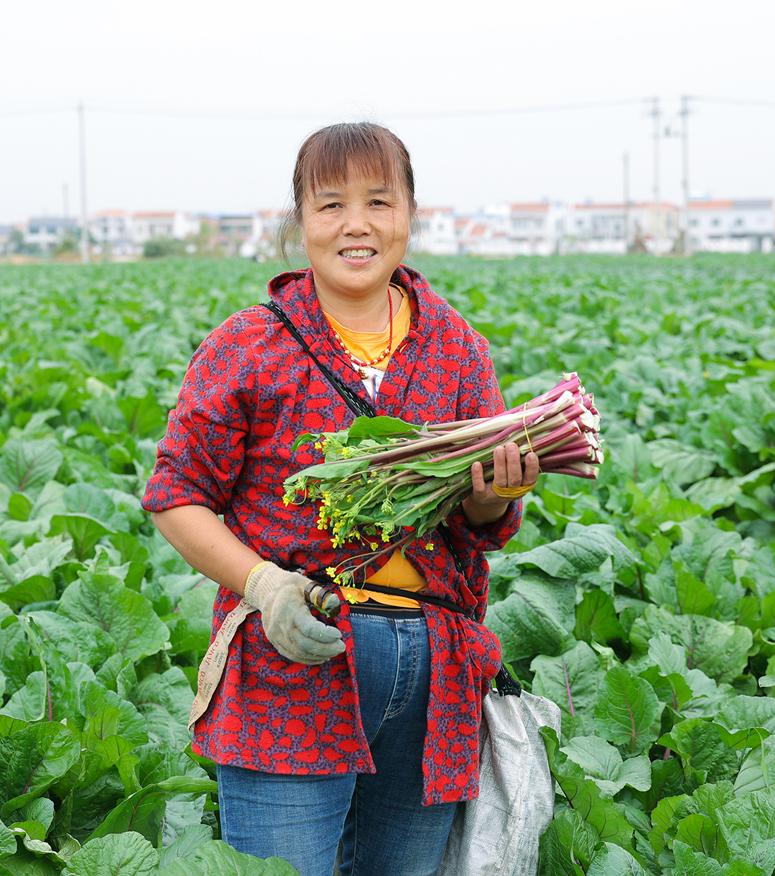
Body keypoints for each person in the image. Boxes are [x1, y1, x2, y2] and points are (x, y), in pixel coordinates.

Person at [142, 122, 539, 876]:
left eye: (379, 202)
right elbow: (177, 496)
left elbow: (482, 528)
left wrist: (497, 494)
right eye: (331, 206)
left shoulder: (457, 347)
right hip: (291, 661)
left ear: (410, 216)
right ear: (300, 223)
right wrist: (263, 584)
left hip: (434, 677)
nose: (357, 224)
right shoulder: (248, 345)